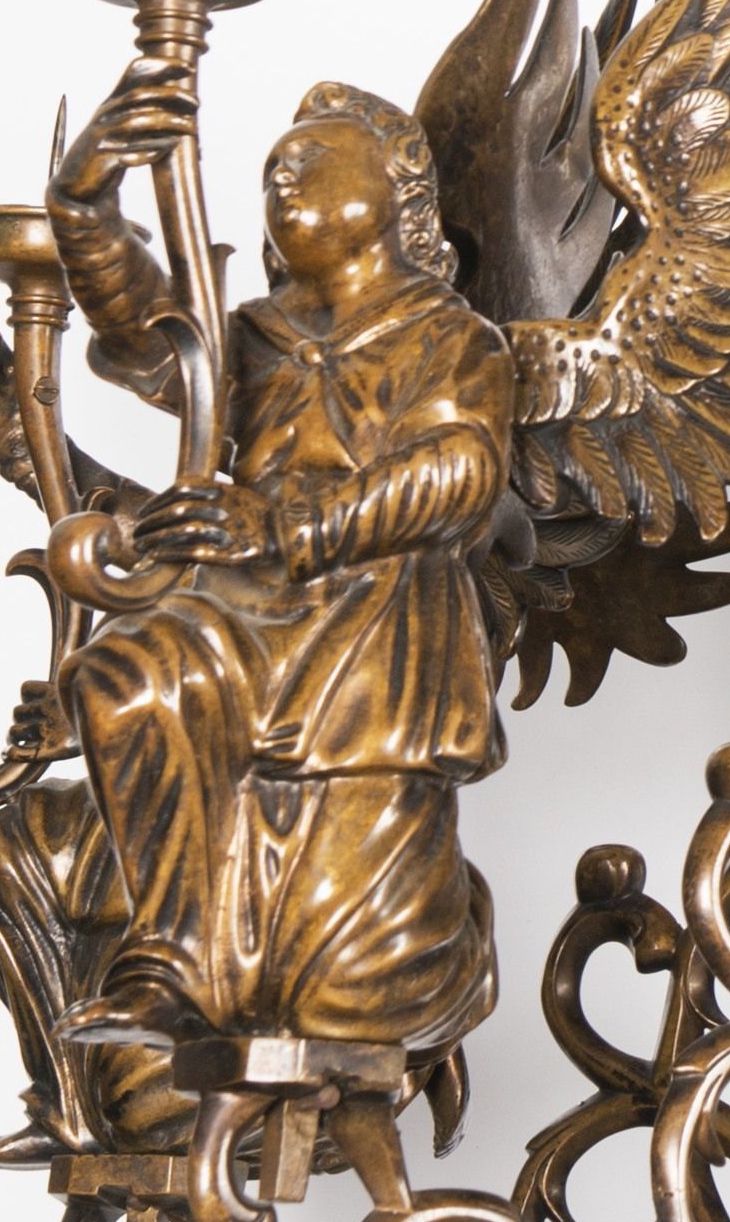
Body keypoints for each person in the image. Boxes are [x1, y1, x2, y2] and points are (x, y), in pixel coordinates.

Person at [38, 67, 519, 1122]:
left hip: (372, 634)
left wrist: (287, 525)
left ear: (396, 191)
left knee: (349, 953)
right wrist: (85, 206)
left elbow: (461, 470)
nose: (284, 180)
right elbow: (148, 337)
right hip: (242, 614)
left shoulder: (449, 338)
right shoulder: (247, 338)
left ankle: (379, 990)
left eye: (313, 160)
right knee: (123, 674)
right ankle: (169, 958)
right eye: (270, 172)